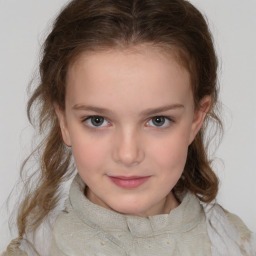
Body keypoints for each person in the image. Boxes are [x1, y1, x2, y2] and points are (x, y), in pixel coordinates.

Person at [2, 0, 256, 255]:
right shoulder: (36, 250)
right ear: (64, 122)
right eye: (97, 120)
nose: (127, 154)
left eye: (158, 120)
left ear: (196, 119)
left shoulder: (234, 245)